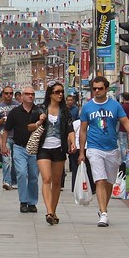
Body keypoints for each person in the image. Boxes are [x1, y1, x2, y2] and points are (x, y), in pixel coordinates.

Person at [79, 76, 129, 227]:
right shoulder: (87, 107)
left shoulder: (115, 106)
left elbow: (125, 121)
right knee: (100, 180)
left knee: (109, 182)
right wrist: (81, 152)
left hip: (112, 148)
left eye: (100, 88)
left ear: (106, 89)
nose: (97, 91)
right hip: (94, 148)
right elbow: (83, 130)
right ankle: (103, 214)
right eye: (94, 88)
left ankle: (103, 208)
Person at [37, 82, 75, 226]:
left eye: (61, 92)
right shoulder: (41, 108)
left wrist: (73, 142)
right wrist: (39, 122)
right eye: (57, 92)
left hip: (59, 148)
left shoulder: (65, 111)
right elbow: (30, 126)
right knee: (46, 178)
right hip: (43, 148)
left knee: (57, 182)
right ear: (50, 94)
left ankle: (53, 210)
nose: (60, 94)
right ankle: (49, 211)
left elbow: (70, 128)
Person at [3, 85, 43, 214]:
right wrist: (3, 145)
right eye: (27, 94)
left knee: (33, 176)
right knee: (21, 173)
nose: (30, 96)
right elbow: (7, 130)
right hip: (19, 147)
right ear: (22, 96)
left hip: (35, 149)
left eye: (32, 94)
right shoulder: (15, 112)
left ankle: (32, 202)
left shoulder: (39, 112)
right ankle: (23, 201)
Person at [0, 87, 19, 190]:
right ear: (3, 94)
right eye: (6, 93)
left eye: (10, 93)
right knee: (6, 159)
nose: (9, 95)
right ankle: (6, 181)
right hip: (5, 136)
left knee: (15, 160)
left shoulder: (17, 105)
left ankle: (14, 181)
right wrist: (1, 122)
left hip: (16, 136)